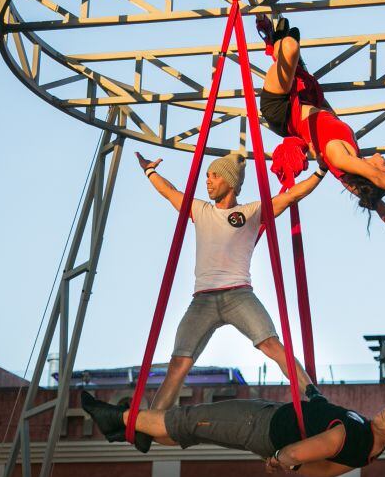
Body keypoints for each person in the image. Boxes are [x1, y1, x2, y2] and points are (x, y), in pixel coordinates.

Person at [126, 150, 324, 451]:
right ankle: (148, 425)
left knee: (272, 345)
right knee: (178, 363)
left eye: (213, 176)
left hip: (238, 295)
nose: (208, 182)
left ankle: (313, 393)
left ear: (230, 182)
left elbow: (291, 196)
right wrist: (150, 172)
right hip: (202, 301)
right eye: (206, 176)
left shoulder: (251, 212)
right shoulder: (200, 210)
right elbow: (169, 192)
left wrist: (320, 172)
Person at [256, 16, 385, 277]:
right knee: (295, 52)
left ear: (379, 175)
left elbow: (374, 179)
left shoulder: (341, 159)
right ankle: (277, 43)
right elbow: (382, 209)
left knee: (290, 46)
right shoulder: (353, 159)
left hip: (281, 109)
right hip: (306, 99)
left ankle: (276, 42)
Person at [81, 388, 385, 477]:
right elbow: (328, 471)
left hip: (260, 426)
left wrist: (284, 459)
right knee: (196, 430)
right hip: (269, 421)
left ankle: (115, 418)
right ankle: (137, 434)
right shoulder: (371, 449)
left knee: (188, 419)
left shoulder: (354, 439)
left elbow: (321, 447)